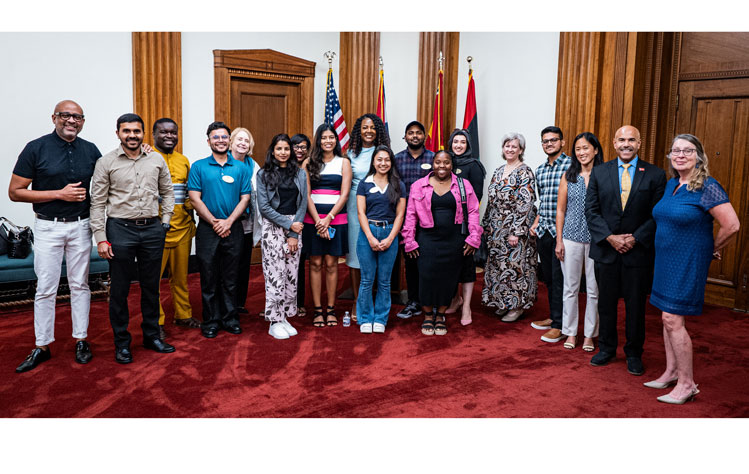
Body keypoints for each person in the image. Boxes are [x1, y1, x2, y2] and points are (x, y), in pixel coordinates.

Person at [646, 134, 739, 403]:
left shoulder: (707, 186)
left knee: (673, 319)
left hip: (687, 261)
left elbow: (732, 225)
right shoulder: (672, 184)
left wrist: (710, 248)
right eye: (676, 151)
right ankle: (672, 371)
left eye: (687, 151)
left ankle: (687, 384)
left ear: (699, 155)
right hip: (665, 260)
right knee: (666, 316)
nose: (681, 155)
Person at [10, 100, 101, 373]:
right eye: (66, 115)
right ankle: (42, 345)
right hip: (48, 227)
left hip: (81, 226)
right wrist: (59, 194)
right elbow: (15, 191)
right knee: (46, 288)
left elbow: (111, 175)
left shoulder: (90, 150)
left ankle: (81, 340)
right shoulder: (35, 148)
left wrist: (142, 151)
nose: (71, 121)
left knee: (81, 285)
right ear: (54, 118)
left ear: (83, 121)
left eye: (77, 117)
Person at [90, 113, 176, 364]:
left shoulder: (156, 159)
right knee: (119, 289)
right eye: (126, 131)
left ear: (143, 134)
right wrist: (101, 238)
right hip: (120, 229)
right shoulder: (106, 162)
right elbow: (97, 203)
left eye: (136, 131)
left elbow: (168, 192)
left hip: (152, 230)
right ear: (118, 133)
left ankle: (151, 336)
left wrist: (165, 222)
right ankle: (122, 343)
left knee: (151, 287)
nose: (132, 135)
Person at [585, 125, 667, 376]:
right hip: (606, 251)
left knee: (635, 307)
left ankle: (633, 353)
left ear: (639, 143)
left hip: (637, 252)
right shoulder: (600, 172)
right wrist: (610, 238)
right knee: (606, 304)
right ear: (613, 142)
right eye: (621, 139)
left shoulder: (655, 174)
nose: (626, 144)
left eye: (631, 139)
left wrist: (635, 238)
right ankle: (607, 349)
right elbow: (591, 211)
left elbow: (658, 213)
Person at [403, 151, 481, 336]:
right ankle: (428, 315)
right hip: (427, 239)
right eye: (438, 162)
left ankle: (441, 315)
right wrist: (409, 240)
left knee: (448, 278)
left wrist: (473, 237)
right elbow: (411, 215)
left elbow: (473, 212)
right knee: (427, 276)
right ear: (433, 164)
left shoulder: (463, 185)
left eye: (446, 162)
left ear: (451, 165)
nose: (442, 166)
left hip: (454, 240)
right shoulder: (418, 186)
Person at [187, 122, 251, 339]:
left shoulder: (241, 168)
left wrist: (229, 222)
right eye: (216, 137)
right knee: (209, 275)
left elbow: (245, 198)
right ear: (209, 141)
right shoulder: (198, 167)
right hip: (207, 229)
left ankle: (230, 318)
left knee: (231, 276)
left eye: (224, 137)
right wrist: (215, 222)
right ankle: (211, 320)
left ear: (229, 140)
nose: (221, 141)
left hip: (234, 228)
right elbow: (194, 198)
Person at [554, 132, 604, 351]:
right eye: (578, 149)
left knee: (594, 289)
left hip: (597, 239)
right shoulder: (569, 175)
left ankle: (590, 335)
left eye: (586, 148)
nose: (582, 153)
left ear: (595, 150)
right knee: (570, 288)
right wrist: (559, 240)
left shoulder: (604, 175)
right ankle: (571, 332)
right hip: (571, 237)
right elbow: (561, 209)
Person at [481, 133, 538, 321]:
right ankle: (503, 302)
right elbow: (491, 200)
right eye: (507, 146)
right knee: (498, 266)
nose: (510, 149)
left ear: (521, 150)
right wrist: (486, 224)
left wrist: (516, 231)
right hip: (496, 228)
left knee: (515, 267)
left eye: (514, 146)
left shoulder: (525, 171)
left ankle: (517, 306)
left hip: (515, 229)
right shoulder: (498, 171)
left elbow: (526, 203)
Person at [256, 134, 308, 339]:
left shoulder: (300, 173)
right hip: (273, 227)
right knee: (274, 275)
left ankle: (284, 317)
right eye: (279, 149)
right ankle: (274, 321)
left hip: (295, 228)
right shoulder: (263, 174)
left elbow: (303, 203)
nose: (283, 152)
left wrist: (294, 232)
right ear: (273, 151)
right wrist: (288, 225)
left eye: (287, 149)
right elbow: (264, 206)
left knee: (290, 275)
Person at [152, 118, 200, 339]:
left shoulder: (184, 160)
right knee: (153, 281)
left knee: (181, 278)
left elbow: (189, 193)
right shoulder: (147, 157)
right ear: (154, 135)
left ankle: (183, 314)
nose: (169, 136)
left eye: (173, 132)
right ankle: (156, 321)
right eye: (164, 132)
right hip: (155, 231)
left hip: (182, 228)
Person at [302, 124, 352, 327]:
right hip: (312, 220)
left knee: (331, 264)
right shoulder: (308, 162)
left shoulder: (344, 163)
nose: (328, 141)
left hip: (336, 220)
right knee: (314, 264)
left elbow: (345, 194)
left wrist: (328, 218)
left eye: (331, 137)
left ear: (336, 140)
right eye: (324, 138)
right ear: (318, 140)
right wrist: (318, 221)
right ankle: (317, 310)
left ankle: (330, 309)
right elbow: (305, 194)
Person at [356, 145, 407, 334]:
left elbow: (400, 215)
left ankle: (380, 318)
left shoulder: (398, 185)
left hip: (389, 232)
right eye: (379, 159)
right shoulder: (364, 183)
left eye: (386, 159)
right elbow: (360, 212)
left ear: (391, 162)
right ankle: (365, 318)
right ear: (374, 162)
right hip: (367, 232)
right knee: (367, 279)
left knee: (385, 281)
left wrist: (391, 238)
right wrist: (369, 237)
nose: (383, 163)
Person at [346, 114, 390, 321]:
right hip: (356, 210)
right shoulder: (350, 154)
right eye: (365, 127)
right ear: (359, 130)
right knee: (357, 254)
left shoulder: (384, 153)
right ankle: (358, 300)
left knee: (377, 253)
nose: (369, 131)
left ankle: (374, 300)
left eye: (373, 127)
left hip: (379, 207)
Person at [529, 126, 571, 343]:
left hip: (562, 232)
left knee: (560, 279)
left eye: (553, 140)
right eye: (545, 141)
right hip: (544, 230)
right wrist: (536, 222)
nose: (549, 144)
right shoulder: (541, 169)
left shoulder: (571, 166)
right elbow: (543, 201)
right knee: (548, 278)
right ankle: (555, 316)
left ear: (562, 142)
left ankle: (561, 325)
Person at [392, 120, 434, 319]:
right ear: (405, 137)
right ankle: (413, 301)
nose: (415, 136)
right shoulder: (397, 159)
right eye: (411, 133)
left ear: (424, 136)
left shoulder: (434, 158)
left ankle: (430, 301)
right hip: (405, 220)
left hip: (429, 219)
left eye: (418, 132)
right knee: (410, 262)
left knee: (430, 262)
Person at [444, 128, 486, 325]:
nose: (458, 145)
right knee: (450, 265)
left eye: (462, 142)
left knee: (467, 266)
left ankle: (467, 306)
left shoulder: (474, 166)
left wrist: (469, 224)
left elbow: (476, 198)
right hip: (446, 224)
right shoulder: (445, 163)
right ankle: (454, 298)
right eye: (455, 142)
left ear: (468, 145)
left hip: (466, 224)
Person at [228, 127, 257, 316]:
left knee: (243, 264)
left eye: (246, 140)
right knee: (228, 265)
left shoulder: (253, 165)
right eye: (239, 139)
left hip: (246, 223)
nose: (243, 143)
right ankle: (226, 304)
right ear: (231, 142)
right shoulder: (222, 161)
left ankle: (239, 303)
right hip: (226, 223)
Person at [291, 133, 311, 317]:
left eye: (303, 147)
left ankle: (299, 302)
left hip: (305, 222)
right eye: (296, 146)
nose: (299, 150)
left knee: (299, 264)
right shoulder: (283, 166)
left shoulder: (310, 167)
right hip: (286, 221)